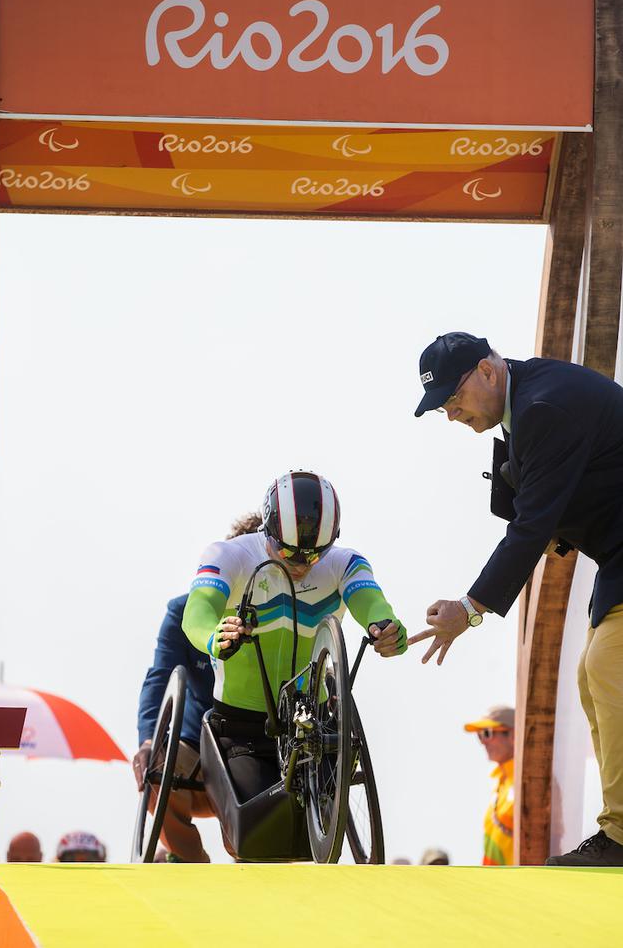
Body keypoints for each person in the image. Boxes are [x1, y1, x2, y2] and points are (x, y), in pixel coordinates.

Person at [409, 331, 623, 866]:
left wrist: (470, 608)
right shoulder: (522, 406)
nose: (452, 415)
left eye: (453, 399)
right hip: (618, 554)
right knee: (591, 678)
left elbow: (530, 530)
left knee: (605, 667)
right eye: (443, 409)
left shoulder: (543, 407)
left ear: (487, 370)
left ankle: (621, 836)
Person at [182, 470, 408, 825]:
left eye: (315, 555)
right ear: (268, 532)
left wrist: (386, 628)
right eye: (289, 551)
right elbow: (196, 612)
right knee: (262, 831)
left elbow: (373, 604)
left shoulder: (345, 562)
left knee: (306, 832)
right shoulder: (229, 555)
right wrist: (214, 635)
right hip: (242, 728)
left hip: (311, 722)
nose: (302, 564)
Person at [133, 512, 262, 863]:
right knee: (156, 766)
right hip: (198, 745)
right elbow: (160, 677)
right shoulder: (183, 611)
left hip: (261, 742)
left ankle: (252, 857)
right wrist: (147, 741)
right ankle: (191, 862)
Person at [464, 705, 515, 866]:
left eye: (487, 733)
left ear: (513, 734)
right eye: (480, 736)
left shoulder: (527, 781)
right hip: (497, 884)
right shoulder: (501, 783)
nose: (483, 742)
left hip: (520, 882)